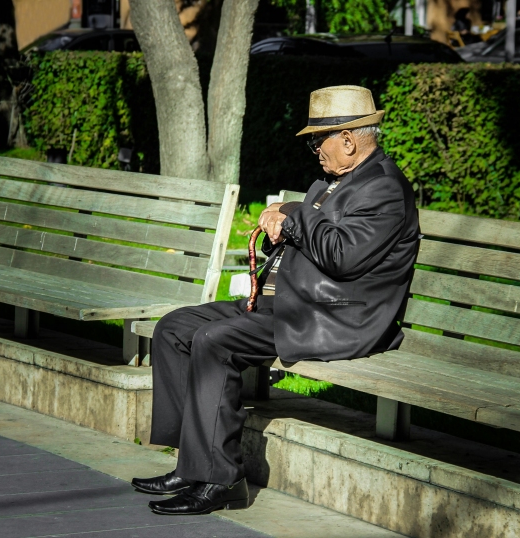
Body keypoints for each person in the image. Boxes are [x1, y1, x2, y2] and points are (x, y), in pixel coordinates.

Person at [131, 85, 420, 516]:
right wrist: (282, 225)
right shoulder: (332, 182)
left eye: (315, 140)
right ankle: (192, 464)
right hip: (292, 301)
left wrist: (295, 214)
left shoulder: (383, 189)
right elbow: (308, 241)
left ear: (347, 139)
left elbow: (342, 256)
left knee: (215, 340)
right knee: (174, 327)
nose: (313, 150)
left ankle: (221, 481)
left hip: (333, 316)